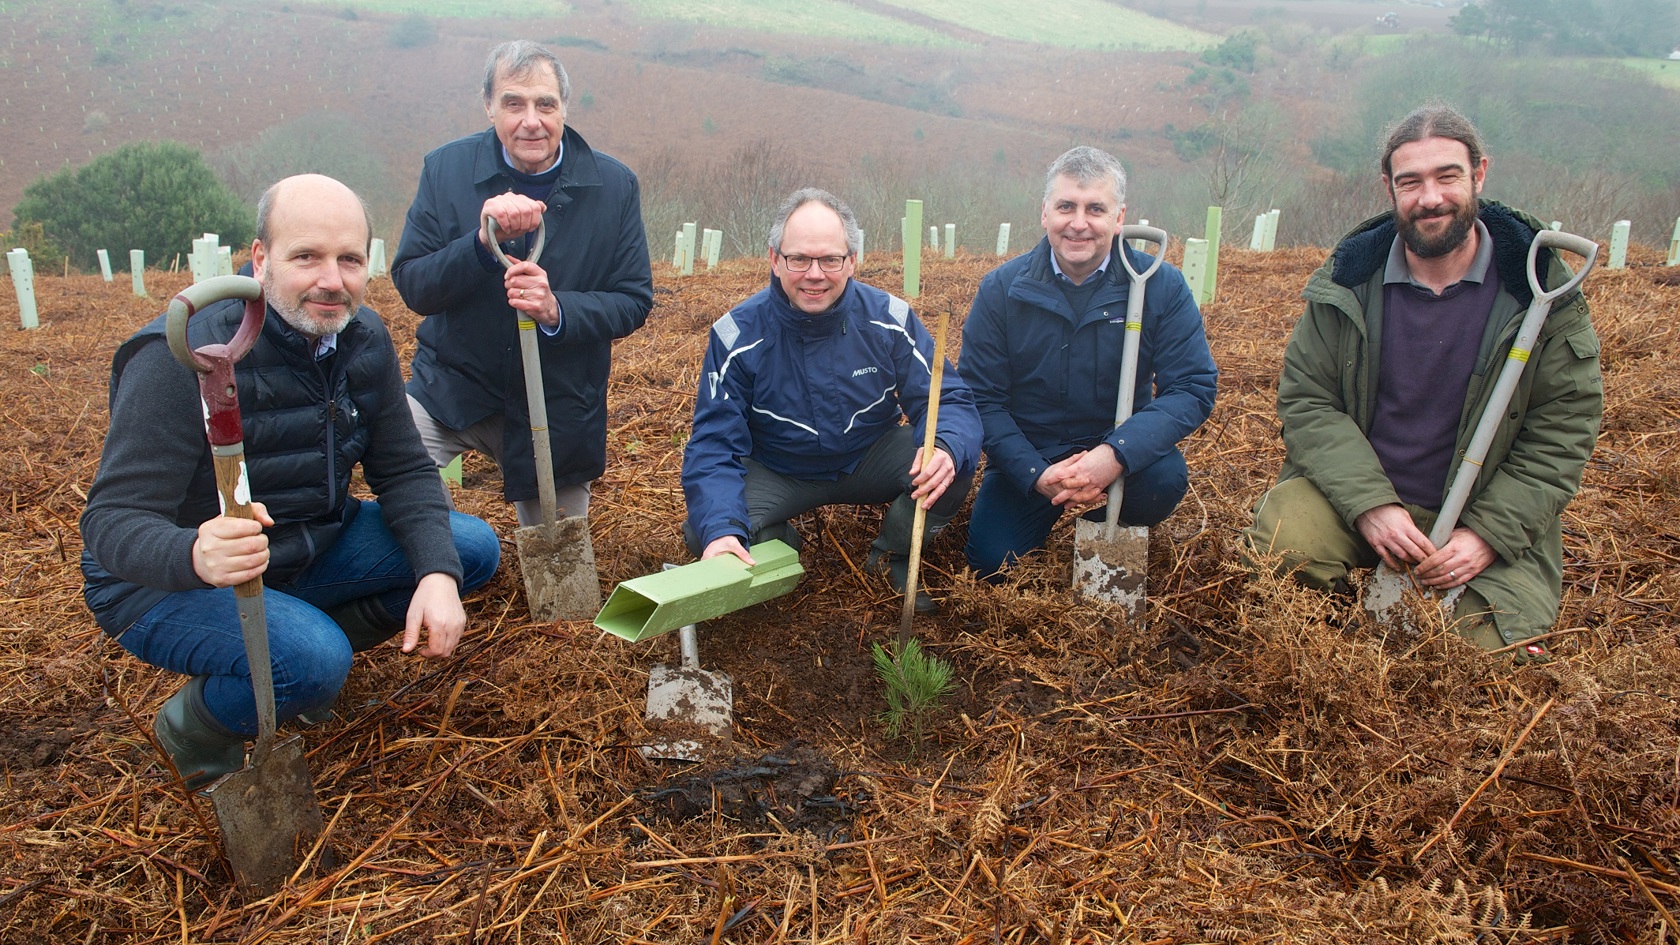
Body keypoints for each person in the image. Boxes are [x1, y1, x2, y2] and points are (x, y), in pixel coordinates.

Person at [81, 174, 501, 790]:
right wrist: (195, 551)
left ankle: (297, 651)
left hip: (305, 544)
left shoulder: (363, 340)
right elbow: (109, 521)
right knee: (314, 659)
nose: (332, 280)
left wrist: (436, 574)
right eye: (306, 256)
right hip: (159, 581)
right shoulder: (185, 355)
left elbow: (406, 468)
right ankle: (195, 725)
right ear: (260, 259)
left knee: (467, 552)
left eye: (350, 259)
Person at [1243, 103, 1602, 660]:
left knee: (1480, 658)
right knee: (1280, 546)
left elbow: (1561, 434)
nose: (1429, 197)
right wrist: (1370, 505)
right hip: (1360, 501)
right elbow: (1308, 402)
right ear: (1389, 187)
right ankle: (1334, 633)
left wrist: (1487, 536)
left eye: (1447, 176)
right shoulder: (1350, 282)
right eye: (1410, 182)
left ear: (1479, 174)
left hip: (1479, 512)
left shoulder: (1540, 293)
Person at [681, 188, 982, 613]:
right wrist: (720, 529)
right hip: (780, 467)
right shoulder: (737, 336)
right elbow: (713, 443)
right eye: (799, 259)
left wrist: (948, 448)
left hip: (869, 454)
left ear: (852, 261)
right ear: (774, 259)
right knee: (706, 531)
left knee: (953, 465)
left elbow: (946, 397)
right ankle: (780, 551)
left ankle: (890, 555)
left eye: (830, 260)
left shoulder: (889, 320)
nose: (815, 274)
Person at [392, 40, 653, 527]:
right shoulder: (445, 170)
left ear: (564, 109)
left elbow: (634, 299)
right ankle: (444, 556)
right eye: (514, 103)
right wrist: (478, 247)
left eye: (545, 104)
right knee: (400, 465)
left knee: (559, 549)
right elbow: (413, 284)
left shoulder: (614, 187)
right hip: (453, 386)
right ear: (489, 106)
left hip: (558, 402)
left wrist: (558, 309)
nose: (531, 120)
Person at [959, 146, 1217, 577]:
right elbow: (981, 397)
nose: (1078, 223)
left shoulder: (1160, 286)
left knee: (1163, 480)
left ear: (1119, 218)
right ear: (1045, 213)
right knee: (992, 564)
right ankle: (1034, 512)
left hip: (1118, 441)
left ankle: (1093, 530)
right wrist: (1034, 472)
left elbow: (1192, 386)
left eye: (1095, 208)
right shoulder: (1002, 291)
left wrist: (1115, 453)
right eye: (1066, 207)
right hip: (1032, 449)